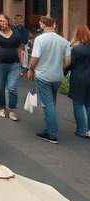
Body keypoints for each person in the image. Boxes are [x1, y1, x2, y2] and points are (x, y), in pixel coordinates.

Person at [28, 16, 71, 144]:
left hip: (43, 75)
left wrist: (31, 69)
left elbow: (35, 58)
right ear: (54, 25)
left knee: (48, 105)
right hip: (57, 76)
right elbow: (68, 60)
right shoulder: (64, 41)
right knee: (51, 102)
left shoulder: (40, 39)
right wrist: (59, 67)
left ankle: (52, 134)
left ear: (42, 25)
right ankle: (49, 129)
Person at [0, 13, 24, 121]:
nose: (1, 23)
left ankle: (12, 109)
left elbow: (20, 49)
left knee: (12, 88)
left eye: (3, 20)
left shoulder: (16, 34)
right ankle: (1, 107)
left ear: (8, 20)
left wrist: (20, 64)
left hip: (13, 65)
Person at [66, 25, 90, 139]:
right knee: (88, 104)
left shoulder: (76, 49)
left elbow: (70, 64)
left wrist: (62, 74)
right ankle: (89, 130)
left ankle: (81, 130)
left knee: (78, 104)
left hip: (78, 78)